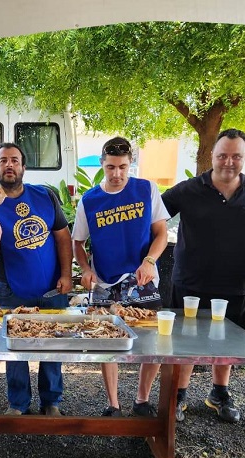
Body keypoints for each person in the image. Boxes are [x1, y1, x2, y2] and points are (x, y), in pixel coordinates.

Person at [161, 128, 245, 423]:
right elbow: (152, 217)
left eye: (236, 156)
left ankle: (219, 392)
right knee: (184, 343)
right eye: (222, 155)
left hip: (237, 283)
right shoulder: (188, 189)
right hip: (190, 282)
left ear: (244, 157)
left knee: (227, 344)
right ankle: (178, 395)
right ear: (212, 156)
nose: (229, 162)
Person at [72, 137, 169, 417]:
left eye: (123, 167)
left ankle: (142, 400)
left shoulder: (146, 189)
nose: (117, 174)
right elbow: (78, 242)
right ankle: (113, 404)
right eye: (111, 167)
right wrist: (86, 270)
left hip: (142, 278)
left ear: (131, 165)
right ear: (102, 165)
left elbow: (161, 232)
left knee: (152, 341)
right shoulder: (89, 200)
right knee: (106, 342)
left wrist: (150, 260)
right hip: (105, 280)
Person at [0, 142, 73, 415]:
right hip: (12, 289)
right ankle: (18, 403)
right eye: (3, 160)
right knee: (15, 347)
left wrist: (66, 274)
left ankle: (51, 402)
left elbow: (62, 236)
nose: (9, 165)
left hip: (53, 287)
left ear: (23, 167)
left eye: (14, 160)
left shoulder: (45, 196)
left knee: (53, 345)